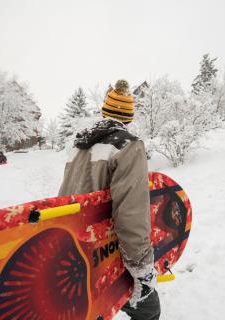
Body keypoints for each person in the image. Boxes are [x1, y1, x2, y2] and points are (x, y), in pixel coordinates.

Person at [58, 79, 160, 320]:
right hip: (106, 251)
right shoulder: (129, 146)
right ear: (129, 116)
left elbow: (63, 195)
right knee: (148, 310)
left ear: (104, 111)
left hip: (73, 249)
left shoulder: (79, 146)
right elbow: (130, 213)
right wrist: (142, 268)